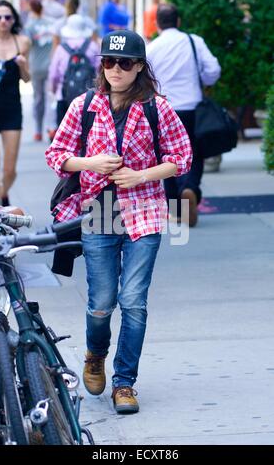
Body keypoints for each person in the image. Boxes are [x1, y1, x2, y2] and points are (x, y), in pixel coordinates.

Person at [45, 29, 192, 414]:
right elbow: (56, 154)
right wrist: (90, 163)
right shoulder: (85, 106)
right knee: (101, 303)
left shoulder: (157, 108)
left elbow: (182, 157)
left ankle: (124, 383)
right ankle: (96, 354)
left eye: (124, 62)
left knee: (134, 302)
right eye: (109, 62)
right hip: (98, 211)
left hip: (143, 209)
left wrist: (142, 175)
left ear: (139, 66)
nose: (115, 70)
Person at [147, 3, 221, 226]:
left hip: (164, 109)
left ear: (157, 24)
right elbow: (213, 70)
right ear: (178, 21)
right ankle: (190, 189)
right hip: (192, 108)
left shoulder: (152, 48)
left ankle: (176, 208)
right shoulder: (194, 41)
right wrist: (205, 82)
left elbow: (143, 78)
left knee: (166, 156)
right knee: (194, 154)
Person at [0, 0, 30, 207]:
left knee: (9, 170)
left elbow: (27, 79)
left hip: (12, 109)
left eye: (7, 17)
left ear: (14, 19)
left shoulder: (22, 42)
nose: (3, 21)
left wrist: (24, 66)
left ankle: (2, 193)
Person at [48, 13, 100, 128]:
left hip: (64, 96)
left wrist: (54, 90)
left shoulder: (61, 49)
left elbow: (53, 75)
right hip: (89, 97)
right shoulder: (93, 46)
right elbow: (100, 70)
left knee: (65, 136)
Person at [25, 0, 53, 141]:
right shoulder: (50, 24)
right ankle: (51, 128)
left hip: (36, 66)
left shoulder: (29, 26)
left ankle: (38, 130)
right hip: (50, 65)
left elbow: (27, 47)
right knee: (49, 98)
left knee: (38, 98)